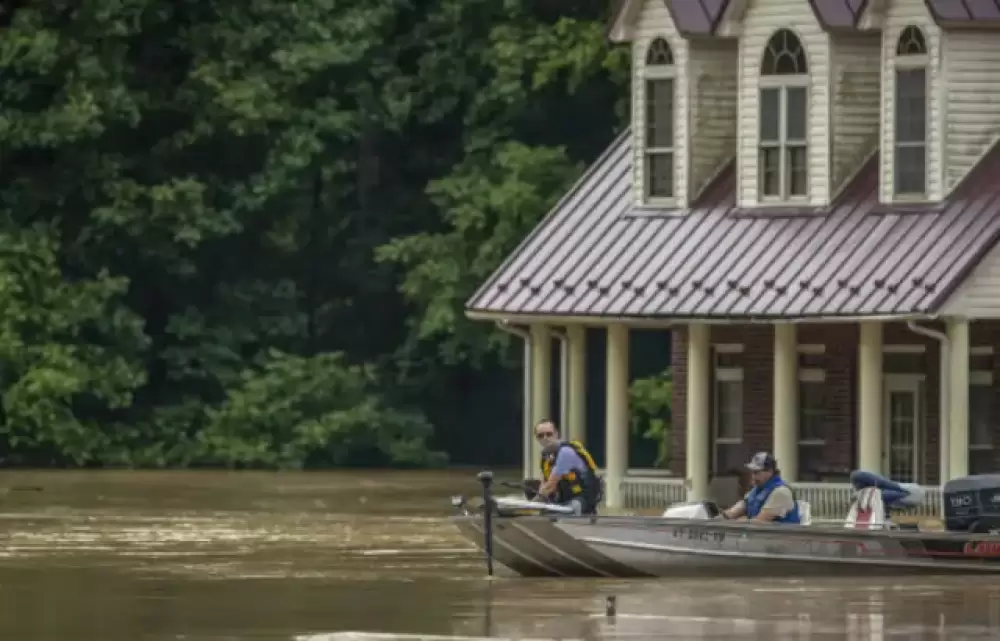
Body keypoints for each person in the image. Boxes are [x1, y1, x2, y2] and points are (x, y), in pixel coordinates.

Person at [529, 419, 602, 515]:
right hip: (564, 499)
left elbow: (550, 486)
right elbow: (544, 485)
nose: (545, 438)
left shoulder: (565, 452)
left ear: (556, 434)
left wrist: (530, 506)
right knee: (545, 513)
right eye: (540, 436)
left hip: (581, 499)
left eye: (549, 434)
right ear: (537, 439)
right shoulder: (546, 457)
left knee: (559, 514)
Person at [721, 451, 801, 524]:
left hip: (783, 538)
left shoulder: (781, 492)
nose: (753, 477)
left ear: (770, 471)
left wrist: (736, 522)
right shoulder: (756, 490)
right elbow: (734, 512)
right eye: (752, 472)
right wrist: (718, 518)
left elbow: (759, 523)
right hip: (764, 538)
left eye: (756, 472)